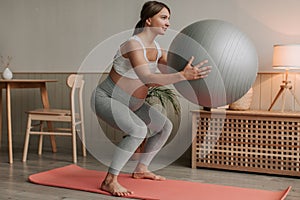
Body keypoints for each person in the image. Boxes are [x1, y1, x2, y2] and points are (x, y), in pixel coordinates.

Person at [94, 1, 211, 197]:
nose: (168, 23)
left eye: (168, 19)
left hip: (134, 104)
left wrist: (194, 68)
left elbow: (175, 66)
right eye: (163, 18)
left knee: (164, 126)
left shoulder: (156, 48)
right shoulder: (133, 45)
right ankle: (109, 180)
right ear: (149, 20)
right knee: (137, 130)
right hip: (107, 98)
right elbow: (147, 78)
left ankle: (141, 169)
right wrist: (183, 75)